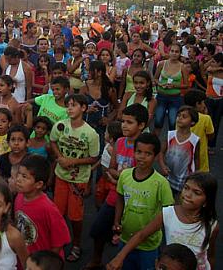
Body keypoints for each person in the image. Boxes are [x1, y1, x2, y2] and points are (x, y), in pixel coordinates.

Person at [108, 172, 218, 270]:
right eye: (186, 188)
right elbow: (142, 235)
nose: (188, 195)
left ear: (206, 202)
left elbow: (210, 255)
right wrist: (120, 257)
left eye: (196, 192)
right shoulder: (168, 213)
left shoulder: (211, 225)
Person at [85, 105, 148, 269]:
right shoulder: (119, 142)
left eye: (129, 122)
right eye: (123, 121)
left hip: (134, 199)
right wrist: (120, 176)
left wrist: (120, 176)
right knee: (98, 229)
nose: (124, 126)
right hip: (115, 194)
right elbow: (111, 167)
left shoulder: (144, 147)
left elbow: (142, 175)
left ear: (141, 125)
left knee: (133, 236)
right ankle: (96, 260)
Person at [112, 133, 174, 270]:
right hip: (125, 237)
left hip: (149, 244)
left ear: (156, 156)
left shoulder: (161, 183)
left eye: (148, 153)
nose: (142, 157)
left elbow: (167, 213)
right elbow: (120, 199)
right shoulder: (125, 175)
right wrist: (117, 221)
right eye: (139, 152)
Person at [50, 94, 100, 262]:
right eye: (68, 105)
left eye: (74, 105)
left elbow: (93, 157)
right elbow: (53, 142)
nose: (70, 108)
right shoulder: (60, 126)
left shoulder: (91, 134)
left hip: (79, 179)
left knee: (75, 215)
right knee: (58, 211)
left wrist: (73, 161)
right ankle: (59, 240)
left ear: (84, 108)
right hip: (61, 176)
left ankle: (77, 243)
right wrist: (60, 158)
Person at [14, 155, 70, 257]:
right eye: (19, 174)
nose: (18, 179)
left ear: (39, 184)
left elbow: (59, 242)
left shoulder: (48, 208)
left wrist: (46, 264)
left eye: (24, 177)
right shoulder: (19, 196)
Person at [159, 106, 200, 195]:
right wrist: (162, 165)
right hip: (168, 176)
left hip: (184, 179)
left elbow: (196, 158)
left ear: (192, 122)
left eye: (184, 117)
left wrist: (196, 175)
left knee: (179, 202)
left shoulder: (194, 140)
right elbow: (161, 152)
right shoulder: (170, 135)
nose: (180, 118)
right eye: (178, 115)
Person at [154, 43, 188, 134]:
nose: (174, 53)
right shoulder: (162, 64)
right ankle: (154, 145)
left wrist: (174, 86)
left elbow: (186, 85)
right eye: (172, 51)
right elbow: (155, 79)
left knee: (173, 123)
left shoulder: (183, 67)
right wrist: (160, 84)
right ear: (169, 52)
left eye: (176, 52)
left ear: (180, 53)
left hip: (175, 98)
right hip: (161, 96)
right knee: (157, 121)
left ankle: (171, 145)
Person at [184, 90, 214, 172]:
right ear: (197, 104)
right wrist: (205, 114)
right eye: (203, 102)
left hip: (184, 154)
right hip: (201, 156)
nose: (204, 105)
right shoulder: (206, 118)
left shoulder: (181, 117)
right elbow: (211, 136)